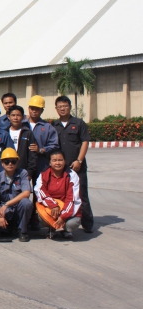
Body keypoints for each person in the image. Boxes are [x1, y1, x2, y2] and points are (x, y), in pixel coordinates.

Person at [51, 95, 92, 233]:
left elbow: (85, 142)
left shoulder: (79, 123)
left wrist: (79, 160)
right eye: (60, 107)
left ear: (70, 107)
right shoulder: (54, 125)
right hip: (60, 168)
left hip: (77, 166)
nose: (62, 109)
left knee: (81, 194)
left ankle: (87, 224)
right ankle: (63, 221)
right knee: (63, 196)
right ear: (56, 108)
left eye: (65, 106)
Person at [34, 150, 82, 239]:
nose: (57, 163)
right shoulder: (44, 174)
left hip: (67, 208)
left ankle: (66, 230)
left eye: (60, 160)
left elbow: (72, 198)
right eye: (54, 160)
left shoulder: (72, 175)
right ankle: (52, 228)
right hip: (52, 208)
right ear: (50, 162)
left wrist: (63, 216)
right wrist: (53, 205)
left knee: (71, 224)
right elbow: (40, 191)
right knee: (41, 217)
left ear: (65, 161)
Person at [0, 148, 33, 242]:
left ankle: (22, 231)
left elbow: (26, 193)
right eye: (7, 161)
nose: (10, 164)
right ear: (2, 163)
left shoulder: (23, 173)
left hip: (17, 209)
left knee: (26, 203)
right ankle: (7, 227)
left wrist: (7, 204)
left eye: (13, 161)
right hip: (3, 211)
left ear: (17, 162)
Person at [24, 95, 60, 180]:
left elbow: (54, 145)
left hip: (41, 164)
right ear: (28, 108)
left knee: (41, 187)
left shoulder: (48, 127)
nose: (34, 111)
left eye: (37, 109)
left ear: (42, 110)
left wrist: (40, 150)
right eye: (32, 108)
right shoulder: (22, 125)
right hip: (23, 164)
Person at [7, 105, 37, 180]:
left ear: (23, 117)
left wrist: (30, 173)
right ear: (9, 117)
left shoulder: (28, 133)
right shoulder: (4, 132)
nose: (15, 118)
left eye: (18, 115)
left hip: (22, 172)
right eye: (13, 115)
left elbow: (32, 154)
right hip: (6, 170)